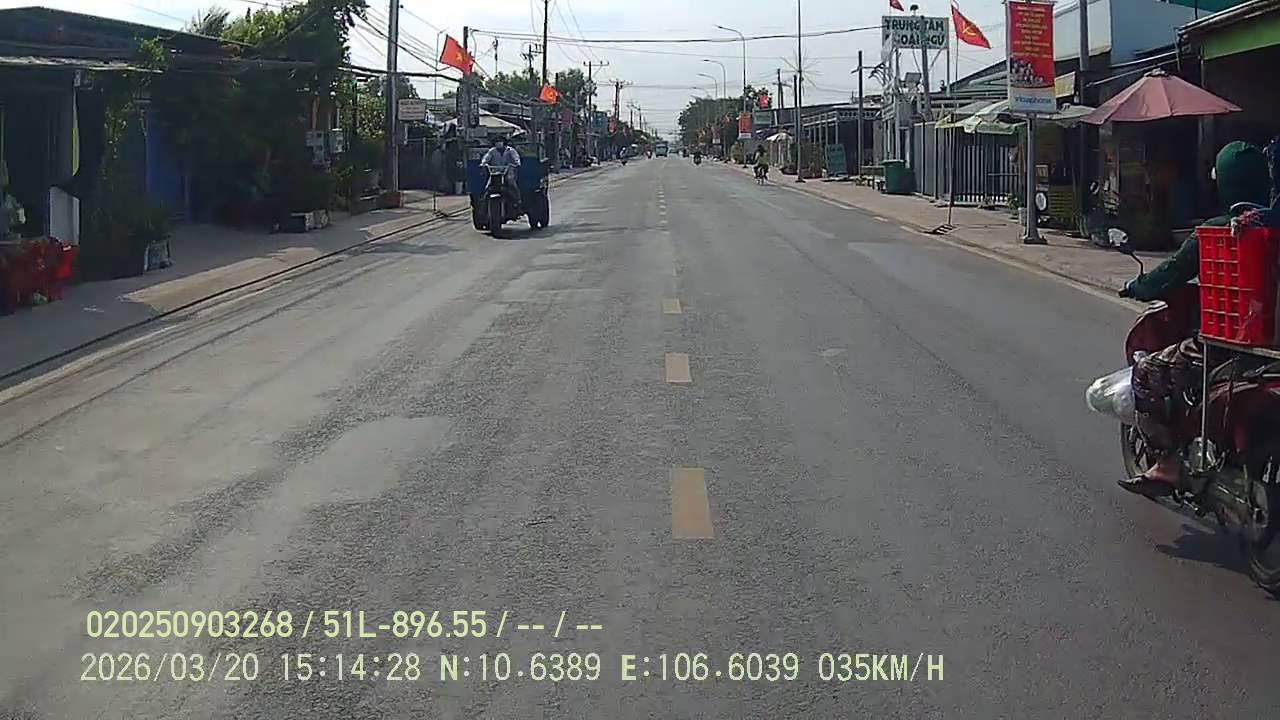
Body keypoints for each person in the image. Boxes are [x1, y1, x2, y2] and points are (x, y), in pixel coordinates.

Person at [1117, 140, 1272, 498]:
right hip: (1274, 347)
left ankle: (1167, 464)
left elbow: (1171, 273)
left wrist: (1137, 286)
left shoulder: (1220, 230)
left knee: (1146, 374)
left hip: (1228, 343)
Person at [480, 136, 521, 205]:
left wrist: (516, 163)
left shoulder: (510, 150)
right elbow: (486, 158)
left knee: (510, 181)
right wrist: (483, 164)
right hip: (495, 172)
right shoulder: (492, 151)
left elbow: (516, 158)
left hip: (508, 171)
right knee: (488, 185)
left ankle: (517, 199)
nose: (498, 143)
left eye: (500, 141)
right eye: (496, 141)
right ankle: (484, 202)